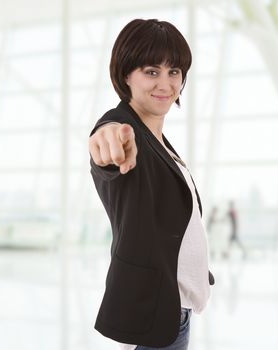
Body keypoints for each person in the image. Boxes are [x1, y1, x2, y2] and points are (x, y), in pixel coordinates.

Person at [88, 19, 215, 350]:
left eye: (174, 72)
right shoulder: (124, 130)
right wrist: (106, 140)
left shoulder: (159, 140)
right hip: (156, 313)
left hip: (175, 309)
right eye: (151, 71)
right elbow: (109, 145)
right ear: (126, 74)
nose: (166, 83)